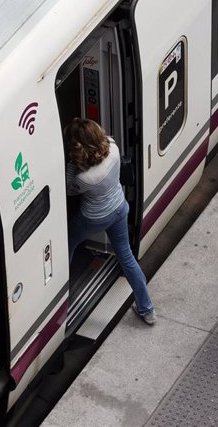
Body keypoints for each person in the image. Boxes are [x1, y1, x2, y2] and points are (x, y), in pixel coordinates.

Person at [65, 118, 156, 325]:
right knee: (127, 258)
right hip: (119, 209)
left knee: (67, 245)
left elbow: (69, 190)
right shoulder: (113, 148)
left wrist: (71, 165)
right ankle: (147, 309)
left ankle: (60, 303)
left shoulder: (84, 178)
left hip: (93, 218)